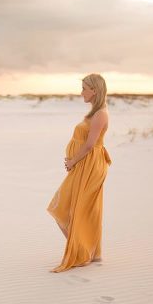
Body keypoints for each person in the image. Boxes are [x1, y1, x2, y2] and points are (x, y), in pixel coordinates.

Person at [46, 73, 112, 273]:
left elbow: (91, 144)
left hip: (90, 166)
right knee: (71, 206)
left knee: (68, 206)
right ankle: (88, 250)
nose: (81, 92)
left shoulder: (101, 113)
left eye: (84, 88)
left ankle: (83, 251)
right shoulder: (94, 112)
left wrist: (73, 160)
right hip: (84, 164)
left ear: (95, 90)